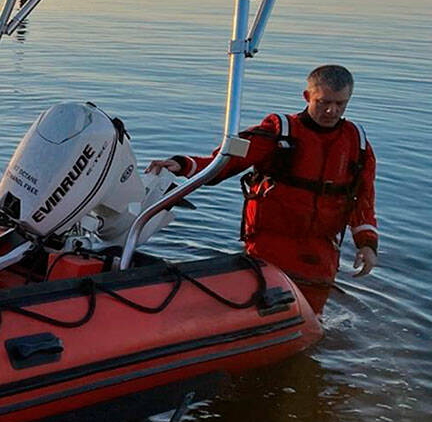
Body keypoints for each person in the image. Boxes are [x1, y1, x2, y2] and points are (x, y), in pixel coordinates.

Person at [147, 64, 377, 313]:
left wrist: (366, 244)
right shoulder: (277, 133)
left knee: (310, 316)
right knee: (262, 308)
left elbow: (363, 198)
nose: (332, 110)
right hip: (271, 244)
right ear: (307, 96)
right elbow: (225, 162)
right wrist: (184, 165)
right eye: (324, 102)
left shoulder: (357, 144)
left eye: (340, 104)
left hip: (319, 252)